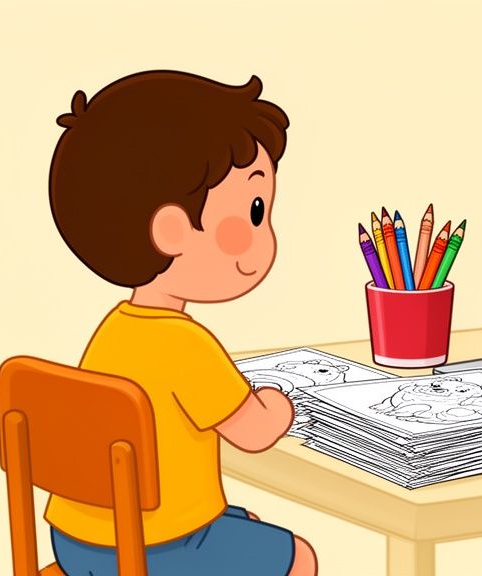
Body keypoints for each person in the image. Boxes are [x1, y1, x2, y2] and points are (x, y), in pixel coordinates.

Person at [45, 70, 317, 575]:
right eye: (255, 210)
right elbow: (255, 432)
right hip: (150, 550)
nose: (267, 233)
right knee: (297, 557)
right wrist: (280, 404)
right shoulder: (185, 344)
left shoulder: (114, 331)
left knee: (248, 523)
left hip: (76, 545)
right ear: (172, 230)